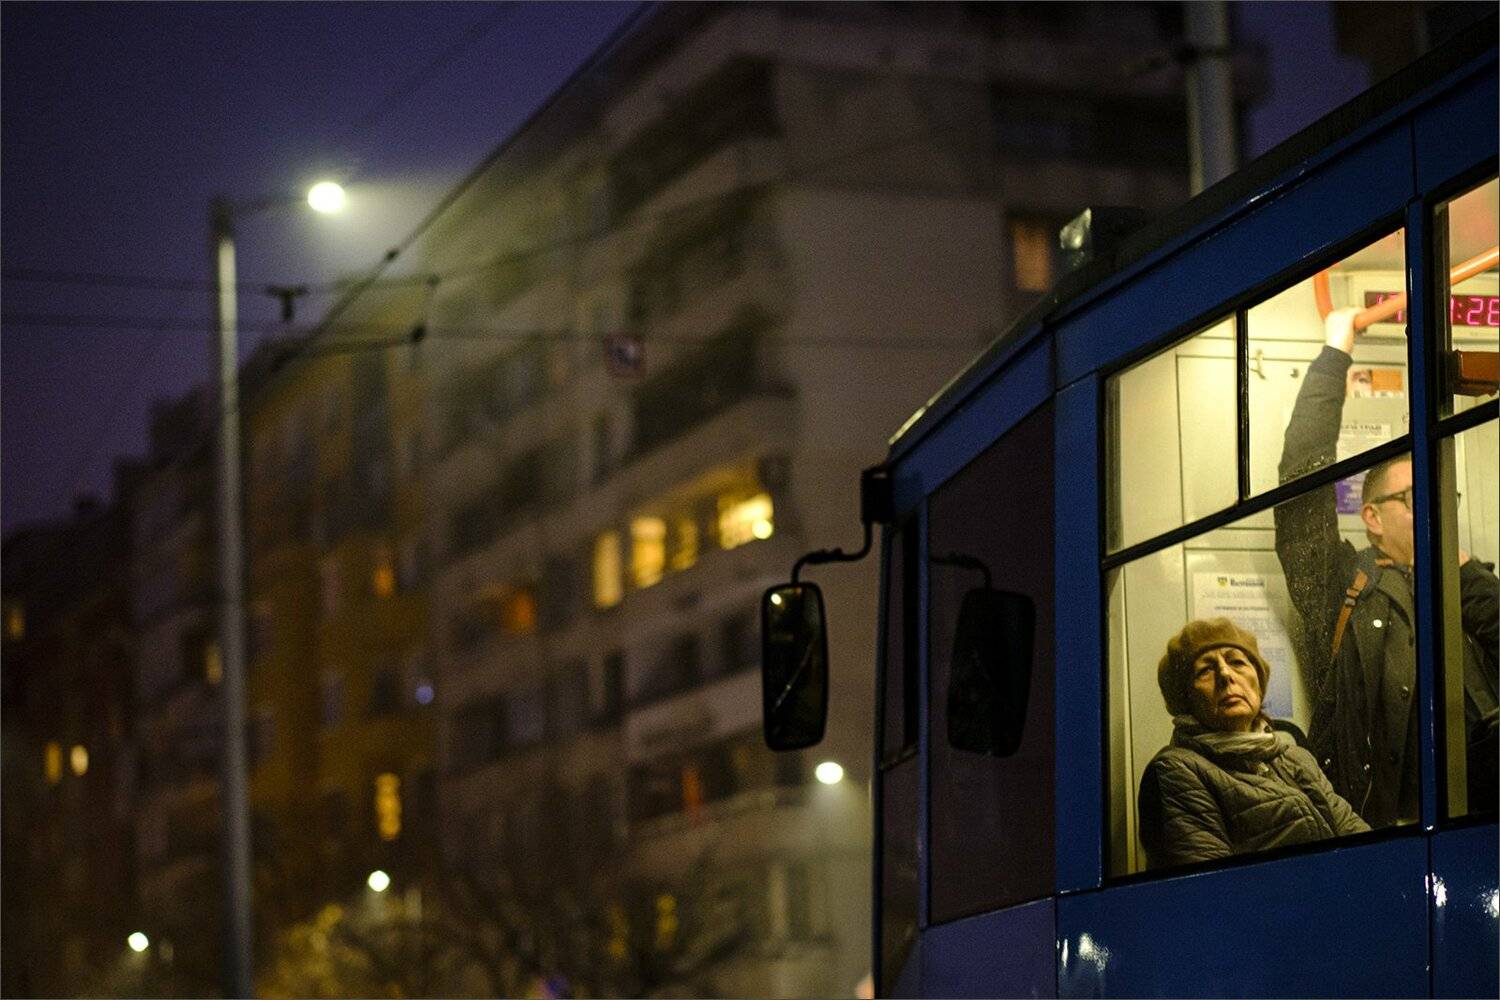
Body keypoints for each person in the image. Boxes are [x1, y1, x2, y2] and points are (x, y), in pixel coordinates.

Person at [1275, 307, 1499, 826]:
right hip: (1381, 830)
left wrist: (1458, 569)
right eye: (1416, 496)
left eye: (1444, 494)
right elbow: (1300, 486)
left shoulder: (1466, 582)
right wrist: (1336, 354)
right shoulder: (1343, 584)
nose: (1437, 505)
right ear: (1371, 516)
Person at [1138, 618, 1369, 869]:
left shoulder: (1295, 757)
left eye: (1237, 662)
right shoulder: (1177, 770)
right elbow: (1213, 888)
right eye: (1205, 670)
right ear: (1186, 699)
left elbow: (1357, 836)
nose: (1226, 675)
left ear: (1258, 682)